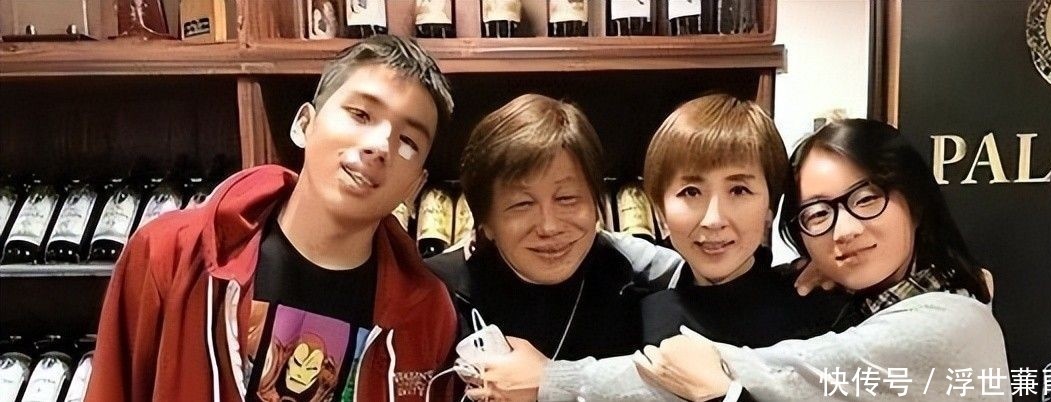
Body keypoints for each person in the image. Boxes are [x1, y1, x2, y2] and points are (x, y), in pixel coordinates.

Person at [86, 35, 459, 402]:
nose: (380, 146)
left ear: (416, 184)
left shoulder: (428, 312)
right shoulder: (170, 254)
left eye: (408, 142)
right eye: (360, 114)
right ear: (303, 124)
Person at [466, 94, 846, 402]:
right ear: (660, 212)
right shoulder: (642, 313)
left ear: (770, 206)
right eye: (691, 192)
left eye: (739, 190)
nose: (714, 219)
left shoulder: (822, 306)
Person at [627, 119, 1009, 401]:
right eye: (818, 213)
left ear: (915, 199)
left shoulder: (945, 325)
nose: (844, 231)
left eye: (866, 199)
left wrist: (726, 390)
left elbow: (782, 372)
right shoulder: (847, 300)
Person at [425, 93, 682, 366]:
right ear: (485, 222)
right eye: (523, 204)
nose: (549, 226)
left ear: (597, 204)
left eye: (566, 198)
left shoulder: (641, 279)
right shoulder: (432, 292)